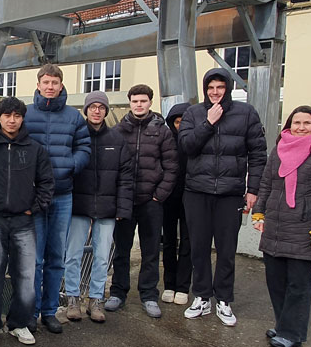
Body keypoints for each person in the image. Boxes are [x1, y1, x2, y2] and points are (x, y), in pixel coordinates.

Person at [179, 68, 267, 326]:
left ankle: (224, 299)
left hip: (230, 193)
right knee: (199, 247)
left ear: (228, 88)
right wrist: (208, 123)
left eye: (220, 87)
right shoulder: (194, 113)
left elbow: (258, 154)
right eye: (210, 88)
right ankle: (202, 296)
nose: (215, 92)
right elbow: (186, 146)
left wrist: (253, 190)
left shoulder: (246, 113)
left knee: (227, 249)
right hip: (197, 191)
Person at [252, 106, 311, 347]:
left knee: (298, 285)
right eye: (296, 122)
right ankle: (283, 326)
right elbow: (267, 184)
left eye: (307, 123)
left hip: (303, 229)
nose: (301, 127)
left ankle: (292, 332)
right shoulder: (279, 150)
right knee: (276, 281)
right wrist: (259, 212)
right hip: (276, 227)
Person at [0, 97, 54, 345]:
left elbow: (46, 184)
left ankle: (19, 323)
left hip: (24, 221)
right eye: (7, 115)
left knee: (26, 275)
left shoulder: (34, 149)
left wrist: (34, 208)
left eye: (17, 116)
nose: (12, 120)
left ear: (22, 118)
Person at [24, 64, 91, 333]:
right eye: (46, 82)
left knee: (56, 258)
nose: (50, 86)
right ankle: (31, 312)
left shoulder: (74, 117)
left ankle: (49, 311)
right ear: (38, 84)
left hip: (63, 195)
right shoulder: (26, 115)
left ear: (62, 86)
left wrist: (70, 165)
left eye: (55, 82)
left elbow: (84, 147)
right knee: (35, 260)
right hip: (34, 196)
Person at [106, 84, 177, 318]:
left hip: (151, 201)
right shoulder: (117, 131)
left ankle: (148, 295)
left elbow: (171, 167)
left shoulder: (162, 131)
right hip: (126, 200)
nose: (139, 105)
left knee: (150, 251)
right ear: (130, 102)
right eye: (135, 101)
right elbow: (112, 166)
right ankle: (118, 292)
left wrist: (159, 195)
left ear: (150, 103)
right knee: (122, 249)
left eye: (143, 101)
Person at [63, 91, 134, 323]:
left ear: (106, 110)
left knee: (102, 256)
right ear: (85, 110)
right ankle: (72, 298)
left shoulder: (117, 139)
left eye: (101, 107)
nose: (96, 110)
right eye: (92, 106)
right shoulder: (75, 136)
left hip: (107, 206)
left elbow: (126, 176)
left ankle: (95, 300)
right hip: (78, 205)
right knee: (72, 254)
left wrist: (122, 208)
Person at [162, 103, 192, 305]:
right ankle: (169, 284)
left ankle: (183, 286)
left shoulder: (195, 141)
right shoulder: (167, 141)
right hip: (169, 196)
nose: (180, 125)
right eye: (177, 122)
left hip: (191, 197)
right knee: (169, 241)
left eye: (184, 122)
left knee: (188, 242)